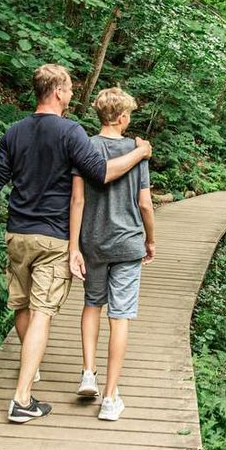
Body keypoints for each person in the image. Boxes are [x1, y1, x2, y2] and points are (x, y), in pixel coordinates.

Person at [0, 64, 152, 424]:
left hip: (16, 234)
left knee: (21, 306)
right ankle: (22, 398)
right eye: (69, 89)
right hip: (53, 235)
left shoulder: (15, 131)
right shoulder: (70, 132)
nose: (72, 95)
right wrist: (139, 153)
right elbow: (101, 173)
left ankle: (30, 366)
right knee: (42, 311)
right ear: (57, 92)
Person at [68, 87, 155, 422]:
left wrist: (75, 244)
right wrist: (152, 240)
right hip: (128, 242)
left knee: (92, 303)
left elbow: (77, 200)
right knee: (120, 316)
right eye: (129, 114)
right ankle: (109, 397)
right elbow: (145, 204)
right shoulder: (137, 151)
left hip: (93, 241)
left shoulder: (86, 147)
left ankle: (88, 373)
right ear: (122, 118)